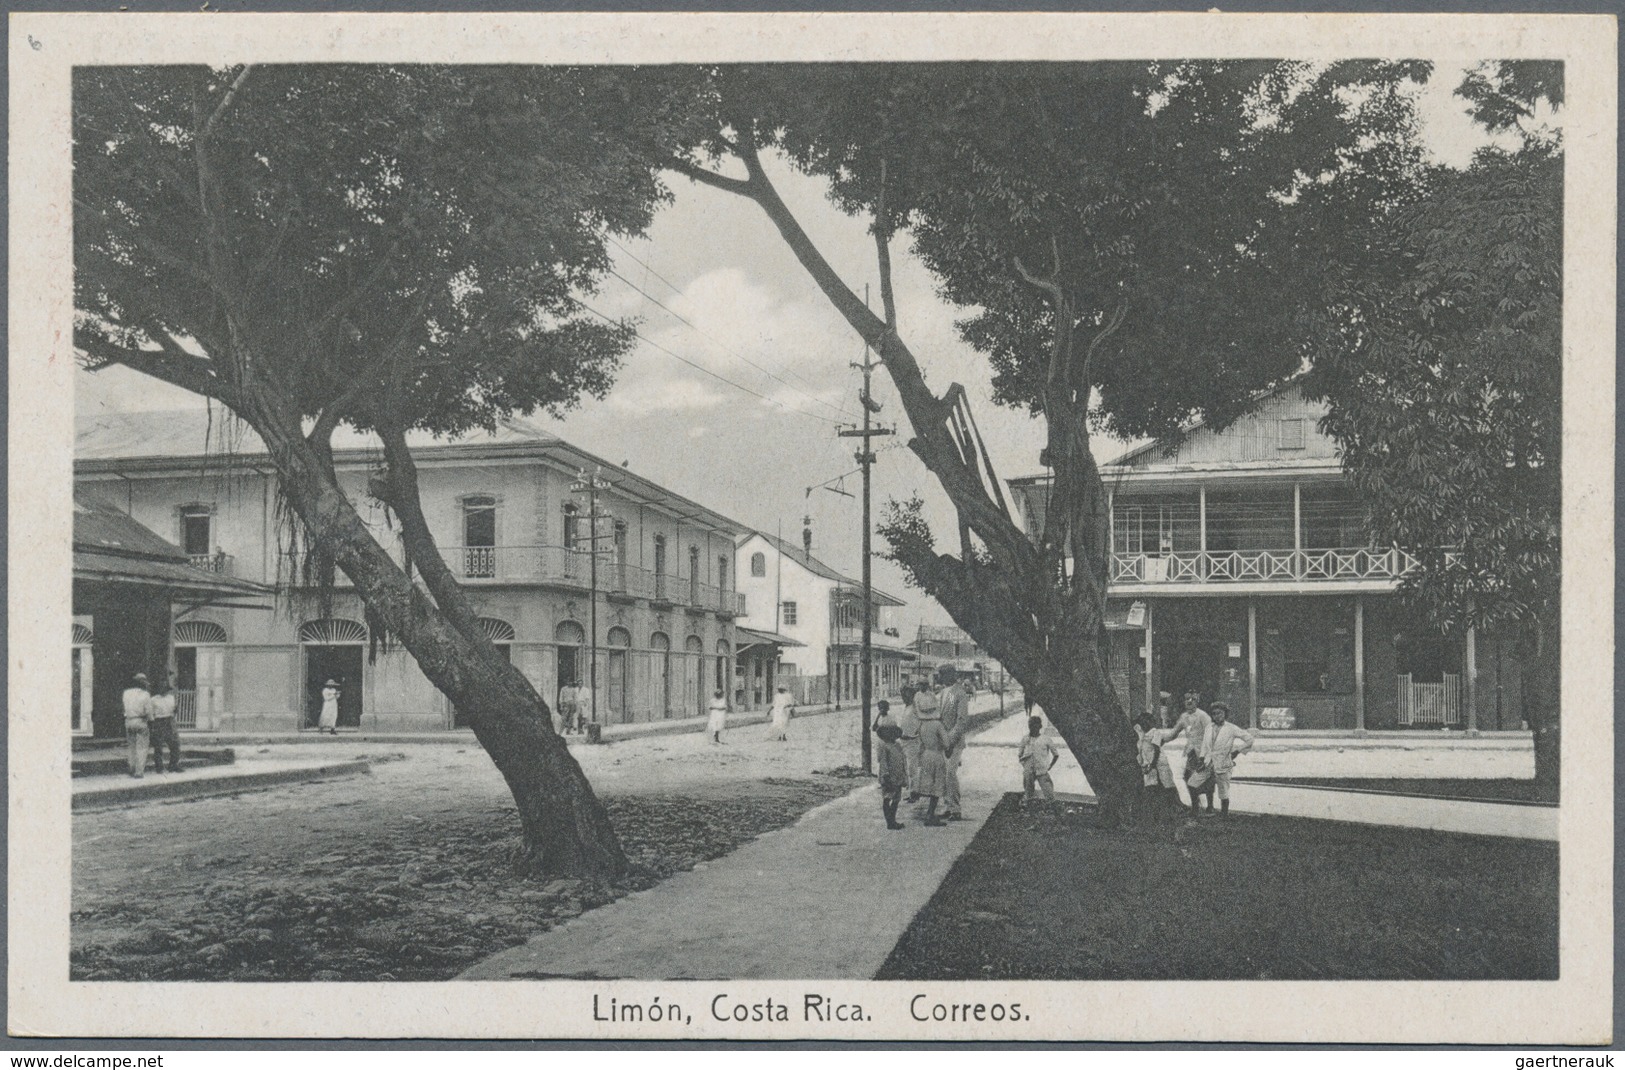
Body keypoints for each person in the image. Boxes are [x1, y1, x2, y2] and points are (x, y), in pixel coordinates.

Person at [1202, 702, 1255, 818]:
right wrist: (1202, 758)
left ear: (1225, 714)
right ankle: (1210, 808)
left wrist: (1237, 751)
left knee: (1223, 788)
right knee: (1208, 785)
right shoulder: (1209, 728)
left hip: (1224, 762)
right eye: (1214, 714)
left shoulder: (1231, 728)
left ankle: (1224, 813)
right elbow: (1205, 746)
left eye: (1220, 713)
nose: (1217, 716)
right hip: (1209, 762)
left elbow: (1249, 739)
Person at [1166, 690, 1214, 816]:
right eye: (1187, 699)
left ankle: (1210, 806)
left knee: (1207, 780)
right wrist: (1159, 740)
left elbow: (1211, 735)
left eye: (1193, 699)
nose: (1189, 701)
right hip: (1190, 753)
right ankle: (1195, 807)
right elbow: (1173, 734)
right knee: (1188, 778)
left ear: (1197, 701)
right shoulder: (1183, 717)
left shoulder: (1203, 716)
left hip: (1204, 752)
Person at [936, 667, 969, 820]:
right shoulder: (944, 693)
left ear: (951, 675)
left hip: (954, 742)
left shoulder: (959, 693)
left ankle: (956, 809)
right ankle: (948, 806)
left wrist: (950, 741)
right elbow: (941, 717)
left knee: (950, 773)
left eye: (942, 674)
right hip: (943, 741)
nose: (940, 677)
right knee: (944, 775)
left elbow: (961, 721)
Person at [1134, 713, 1181, 819]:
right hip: (1149, 763)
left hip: (1159, 762)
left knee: (1167, 784)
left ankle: (1176, 806)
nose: (1144, 724)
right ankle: (1157, 809)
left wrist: (1153, 764)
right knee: (1153, 785)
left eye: (1147, 721)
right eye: (1142, 722)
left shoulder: (1155, 732)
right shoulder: (1142, 735)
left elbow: (1156, 749)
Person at [873, 706, 907, 830]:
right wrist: (885, 775)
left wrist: (904, 775)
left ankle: (893, 819)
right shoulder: (885, 747)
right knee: (887, 798)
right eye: (888, 733)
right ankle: (890, 822)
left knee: (896, 799)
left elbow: (903, 761)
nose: (890, 735)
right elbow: (883, 763)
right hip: (888, 777)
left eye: (892, 733)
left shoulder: (897, 745)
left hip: (897, 777)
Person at [1016, 715, 1060, 808]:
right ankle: (1030, 811)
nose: (1032, 728)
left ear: (1040, 726)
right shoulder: (1025, 739)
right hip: (1028, 771)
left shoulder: (1046, 739)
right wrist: (1025, 765)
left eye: (1035, 725)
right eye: (1030, 725)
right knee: (1028, 792)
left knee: (1048, 792)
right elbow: (1020, 754)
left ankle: (1054, 811)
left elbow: (1056, 754)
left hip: (1042, 770)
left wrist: (1049, 766)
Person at [148, 673, 182, 773]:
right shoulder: (153, 700)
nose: (163, 689)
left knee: (175, 744)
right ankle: (159, 767)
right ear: (158, 689)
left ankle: (173, 765)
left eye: (165, 686)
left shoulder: (171, 698)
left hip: (170, 721)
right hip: (159, 722)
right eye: (161, 686)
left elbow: (174, 711)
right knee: (158, 746)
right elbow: (151, 713)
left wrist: (176, 710)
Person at [121, 673, 152, 778]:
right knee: (142, 748)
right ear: (143, 684)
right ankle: (139, 772)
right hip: (140, 721)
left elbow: (124, 707)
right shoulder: (145, 695)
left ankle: (131, 768)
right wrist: (151, 720)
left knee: (131, 746)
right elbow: (148, 711)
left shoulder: (126, 693)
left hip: (129, 720)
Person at [897, 684, 923, 803]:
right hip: (904, 741)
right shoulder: (906, 707)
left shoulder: (914, 708)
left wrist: (917, 734)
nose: (903, 697)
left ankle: (915, 793)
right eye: (902, 695)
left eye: (905, 695)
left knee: (912, 768)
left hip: (912, 741)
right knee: (907, 768)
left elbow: (921, 723)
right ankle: (911, 791)